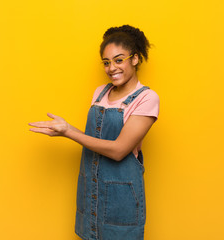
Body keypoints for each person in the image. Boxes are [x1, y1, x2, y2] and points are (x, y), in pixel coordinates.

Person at [28, 24, 159, 240]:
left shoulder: (147, 98)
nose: (111, 68)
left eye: (119, 60)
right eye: (106, 63)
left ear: (135, 59)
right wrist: (62, 128)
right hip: (91, 190)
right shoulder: (100, 92)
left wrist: (69, 131)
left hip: (121, 198)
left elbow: (119, 150)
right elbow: (95, 139)